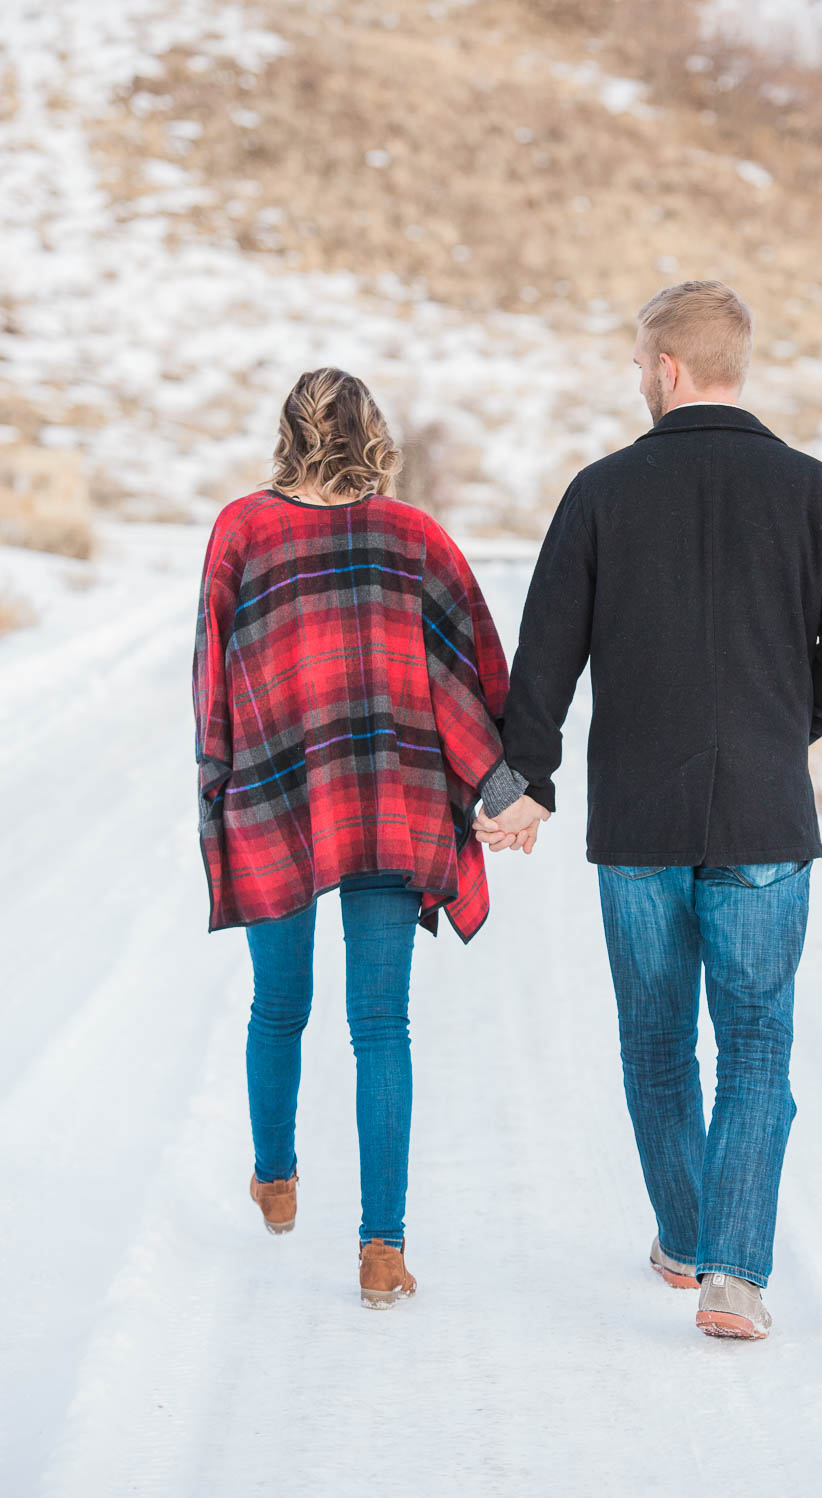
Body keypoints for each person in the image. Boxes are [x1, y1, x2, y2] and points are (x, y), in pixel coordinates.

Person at [474, 280, 822, 1340]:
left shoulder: (602, 490)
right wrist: (780, 724)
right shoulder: (821, 493)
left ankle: (686, 1236)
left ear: (663, 370)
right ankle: (733, 1276)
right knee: (756, 1044)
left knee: (657, 1044)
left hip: (638, 820)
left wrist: (522, 778)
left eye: (635, 365)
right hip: (762, 816)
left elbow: (547, 656)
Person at [191, 368, 525, 1308]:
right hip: (392, 797)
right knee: (382, 1025)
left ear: (288, 434)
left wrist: (217, 794)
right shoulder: (413, 536)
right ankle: (384, 1251)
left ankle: (277, 1179)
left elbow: (213, 679)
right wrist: (499, 784)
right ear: (374, 434)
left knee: (278, 1006)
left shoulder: (242, 531)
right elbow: (474, 673)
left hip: (278, 794)